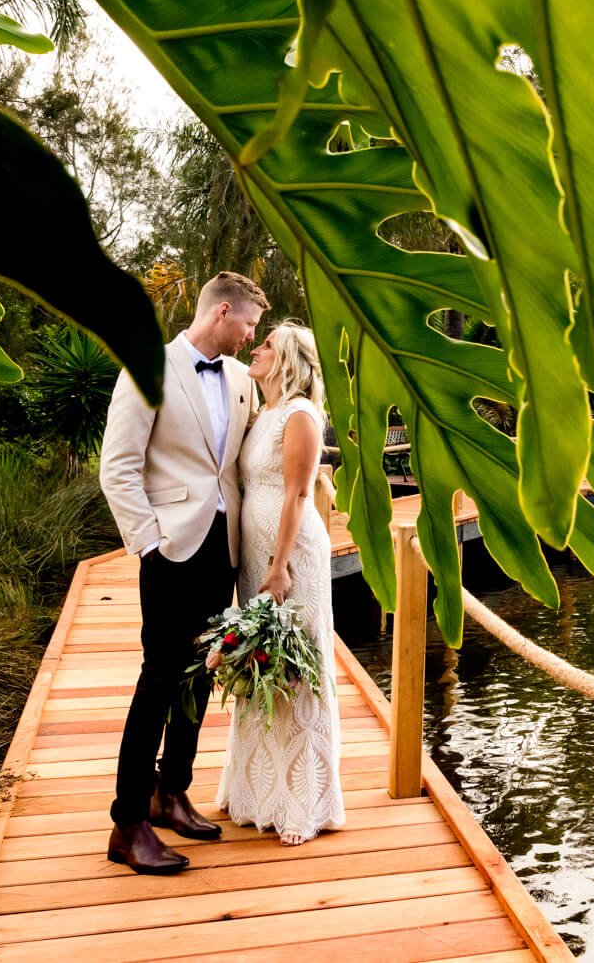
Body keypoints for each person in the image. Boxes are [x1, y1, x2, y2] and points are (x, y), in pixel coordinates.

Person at [97, 271, 266, 874]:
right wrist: (148, 546)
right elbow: (116, 468)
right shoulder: (148, 367)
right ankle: (128, 823)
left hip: (223, 548)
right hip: (171, 547)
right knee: (159, 678)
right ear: (223, 312)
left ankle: (173, 793)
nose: (251, 337)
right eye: (248, 324)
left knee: (200, 675)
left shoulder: (244, 379)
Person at [217, 321, 346, 845]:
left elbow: (296, 495)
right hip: (257, 556)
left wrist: (280, 564)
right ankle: (256, 791)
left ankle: (301, 799)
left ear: (289, 357)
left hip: (290, 557)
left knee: (295, 668)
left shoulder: (299, 415)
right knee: (261, 661)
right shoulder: (263, 412)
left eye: (267, 344)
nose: (257, 347)